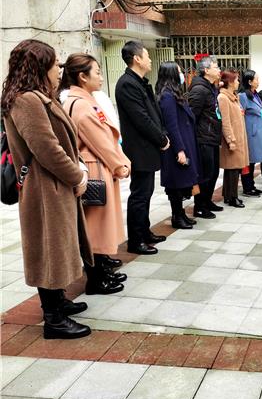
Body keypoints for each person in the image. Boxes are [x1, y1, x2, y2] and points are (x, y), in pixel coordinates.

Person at [1, 39, 91, 339]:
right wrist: (76, 176)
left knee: (60, 243)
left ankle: (58, 302)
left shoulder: (39, 96)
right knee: (49, 247)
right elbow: (47, 148)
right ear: (40, 67)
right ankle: (53, 319)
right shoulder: (27, 100)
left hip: (53, 183)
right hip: (43, 186)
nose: (58, 70)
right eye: (55, 65)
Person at [61, 53, 129, 295]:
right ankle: (97, 280)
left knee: (96, 226)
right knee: (97, 227)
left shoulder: (80, 100)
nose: (101, 76)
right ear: (82, 76)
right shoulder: (81, 105)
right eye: (97, 72)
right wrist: (120, 164)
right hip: (96, 167)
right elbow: (101, 141)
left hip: (95, 165)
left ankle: (101, 272)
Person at [115, 41, 170, 255]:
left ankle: (145, 232)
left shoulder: (139, 82)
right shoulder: (127, 84)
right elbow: (142, 119)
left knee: (146, 193)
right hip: (139, 149)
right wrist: (161, 139)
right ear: (136, 59)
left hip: (146, 148)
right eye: (146, 55)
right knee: (139, 195)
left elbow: (151, 113)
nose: (149, 59)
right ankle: (135, 240)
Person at [155, 62, 201, 229]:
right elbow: (172, 125)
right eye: (180, 71)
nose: (182, 74)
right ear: (172, 74)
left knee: (181, 181)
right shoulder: (167, 96)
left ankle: (180, 214)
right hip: (175, 146)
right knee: (175, 184)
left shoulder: (173, 94)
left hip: (182, 142)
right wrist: (180, 150)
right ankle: (177, 216)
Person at [188, 56, 223, 219]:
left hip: (212, 137)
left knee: (214, 172)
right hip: (203, 139)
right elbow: (191, 116)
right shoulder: (199, 90)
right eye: (216, 67)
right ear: (206, 70)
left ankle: (207, 201)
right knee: (205, 174)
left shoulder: (210, 88)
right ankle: (199, 206)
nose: (219, 70)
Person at [218, 70, 249, 208]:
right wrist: (230, 140)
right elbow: (225, 121)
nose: (238, 83)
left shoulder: (233, 97)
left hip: (239, 138)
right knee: (232, 169)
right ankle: (232, 197)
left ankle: (228, 195)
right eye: (236, 80)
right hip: (232, 140)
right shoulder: (223, 98)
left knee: (234, 169)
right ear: (230, 82)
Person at [240, 70, 262, 197]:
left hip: (259, 133)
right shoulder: (243, 96)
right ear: (250, 82)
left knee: (255, 160)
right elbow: (241, 116)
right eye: (256, 79)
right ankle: (247, 187)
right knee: (249, 161)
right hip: (250, 133)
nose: (258, 81)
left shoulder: (255, 94)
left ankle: (251, 185)